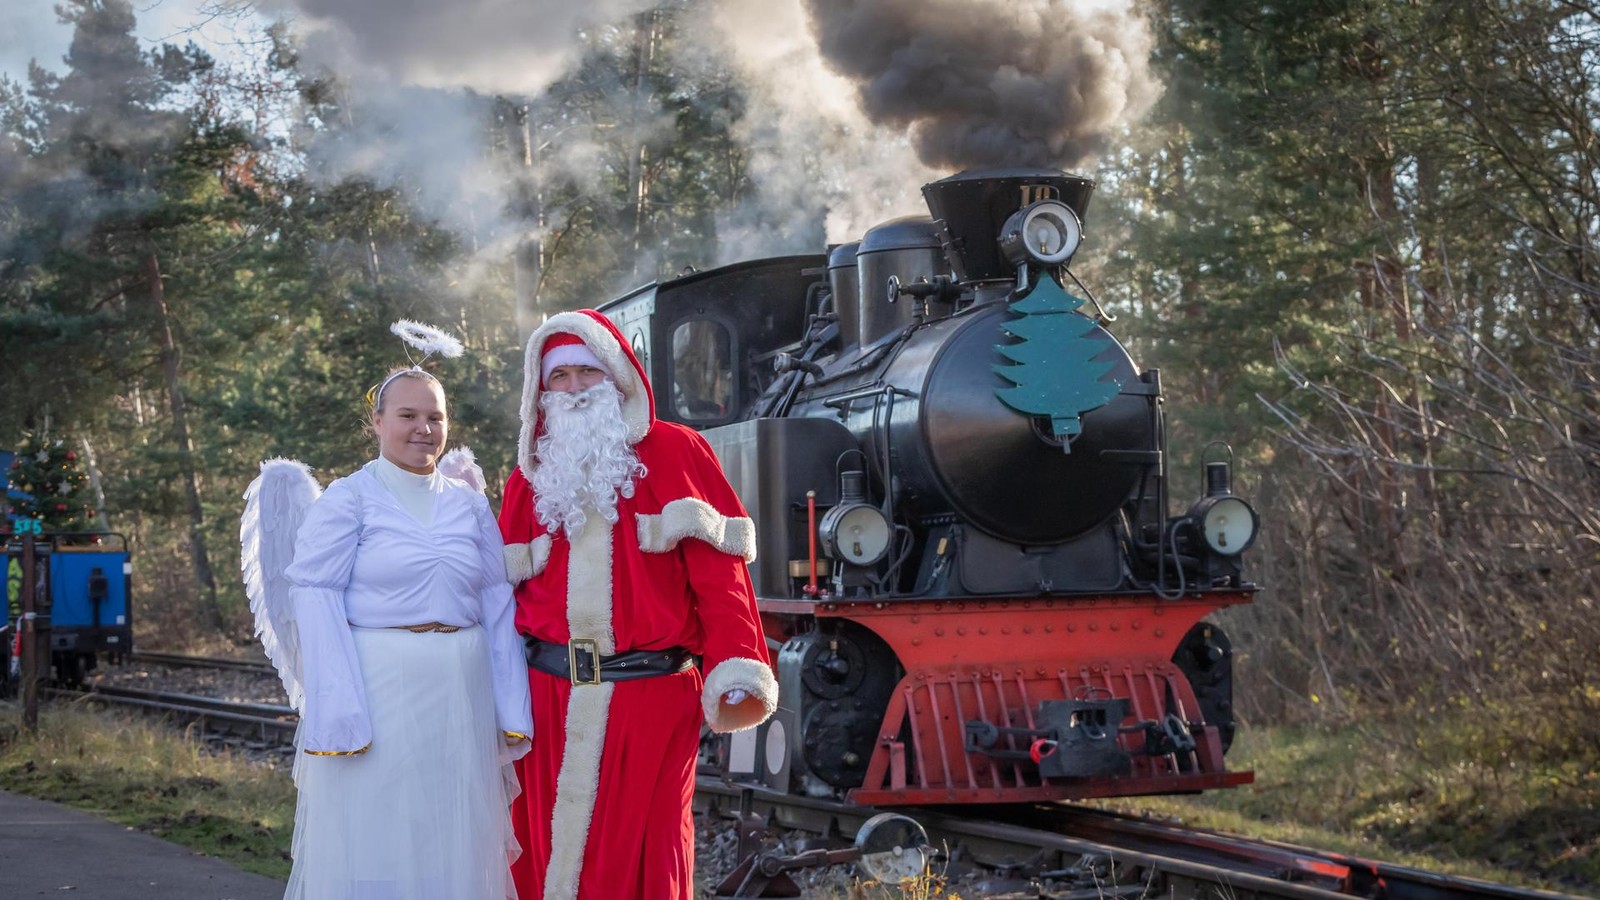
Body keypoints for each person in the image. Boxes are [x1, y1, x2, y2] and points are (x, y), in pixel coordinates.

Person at [498, 309, 776, 900]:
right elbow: (500, 596)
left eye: (587, 373)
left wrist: (736, 664)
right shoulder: (531, 475)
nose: (573, 389)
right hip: (545, 700)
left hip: (649, 700)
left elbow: (722, 577)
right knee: (540, 849)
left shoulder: (677, 452)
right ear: (540, 390)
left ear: (619, 376)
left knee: (644, 854)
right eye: (559, 377)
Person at [276, 365, 533, 900]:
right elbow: (315, 597)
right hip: (380, 692)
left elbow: (495, 600)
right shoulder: (350, 499)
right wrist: (338, 705)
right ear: (377, 421)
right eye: (408, 415)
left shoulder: (468, 502)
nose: (423, 428)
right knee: (384, 830)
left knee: (452, 832)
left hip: (460, 694)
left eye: (435, 417)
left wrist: (511, 707)